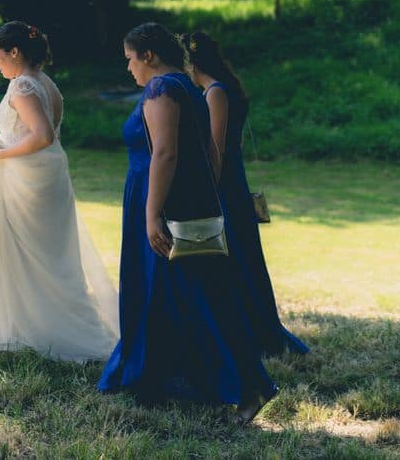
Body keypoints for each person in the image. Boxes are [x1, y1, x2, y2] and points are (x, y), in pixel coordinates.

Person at [97, 22, 276, 424]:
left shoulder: (162, 89)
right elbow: (209, 150)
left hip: (163, 203)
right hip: (182, 199)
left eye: (130, 59)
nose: (128, 68)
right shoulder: (190, 87)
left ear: (148, 55)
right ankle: (169, 379)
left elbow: (165, 153)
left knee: (194, 293)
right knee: (183, 293)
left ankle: (247, 385)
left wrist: (152, 213)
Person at [0, 21, 118, 362]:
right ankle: (41, 328)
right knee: (50, 257)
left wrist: (0, 153)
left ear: (15, 52)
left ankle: (33, 333)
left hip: (26, 182)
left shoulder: (23, 85)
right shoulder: (46, 82)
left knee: (22, 255)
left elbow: (42, 136)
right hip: (47, 177)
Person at [179, 30, 308, 356]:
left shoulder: (215, 93)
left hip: (225, 182)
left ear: (191, 63)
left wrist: (207, 190)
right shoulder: (217, 89)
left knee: (236, 253)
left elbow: (216, 149)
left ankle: (254, 331)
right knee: (236, 253)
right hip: (229, 179)